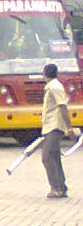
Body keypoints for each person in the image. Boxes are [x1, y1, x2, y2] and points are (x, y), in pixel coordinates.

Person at [39, 63, 74, 199]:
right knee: (54, 156)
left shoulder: (54, 87)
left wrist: (69, 127)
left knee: (47, 156)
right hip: (50, 126)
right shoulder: (53, 86)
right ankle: (61, 186)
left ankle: (56, 188)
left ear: (45, 74)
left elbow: (62, 106)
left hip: (55, 126)